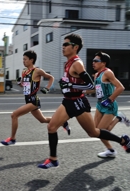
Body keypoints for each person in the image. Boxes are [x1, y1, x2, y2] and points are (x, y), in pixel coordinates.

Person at [38, 33, 130, 169]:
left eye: (66, 44)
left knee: (93, 132)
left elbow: (90, 85)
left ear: (75, 48)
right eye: (62, 44)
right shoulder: (68, 63)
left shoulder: (77, 64)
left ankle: (123, 140)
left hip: (78, 102)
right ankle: (53, 159)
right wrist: (67, 83)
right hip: (68, 101)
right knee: (51, 127)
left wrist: (70, 85)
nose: (62, 47)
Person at [1, 50, 70, 146]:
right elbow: (24, 86)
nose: (23, 61)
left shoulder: (37, 71)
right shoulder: (24, 71)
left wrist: (47, 88)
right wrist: (19, 83)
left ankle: (12, 138)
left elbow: (51, 77)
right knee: (43, 120)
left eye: (25, 59)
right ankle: (62, 122)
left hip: (33, 100)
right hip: (27, 100)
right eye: (23, 59)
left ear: (31, 60)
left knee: (14, 115)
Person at [83, 51, 130, 158]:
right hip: (100, 105)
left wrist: (110, 99)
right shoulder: (97, 75)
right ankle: (111, 149)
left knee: (102, 131)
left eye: (96, 61)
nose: (93, 62)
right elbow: (95, 89)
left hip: (109, 105)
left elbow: (120, 87)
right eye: (93, 60)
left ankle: (112, 148)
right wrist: (81, 92)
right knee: (95, 130)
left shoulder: (108, 73)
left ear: (103, 63)